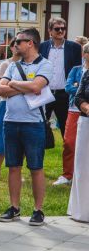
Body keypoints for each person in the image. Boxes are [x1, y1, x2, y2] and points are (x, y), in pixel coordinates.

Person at [0, 27, 53, 226]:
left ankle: (38, 210)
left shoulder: (45, 64)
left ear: (31, 43)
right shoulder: (13, 66)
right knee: (13, 167)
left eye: (19, 41)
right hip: (11, 122)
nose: (15, 45)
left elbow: (37, 87)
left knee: (36, 168)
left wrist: (13, 85)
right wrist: (22, 86)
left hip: (33, 123)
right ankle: (14, 208)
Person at [39, 17, 81, 142]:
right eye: (57, 29)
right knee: (39, 126)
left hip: (64, 94)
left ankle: (68, 160)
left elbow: (77, 71)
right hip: (44, 92)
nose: (61, 31)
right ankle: (35, 157)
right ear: (49, 31)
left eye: (63, 28)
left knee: (66, 130)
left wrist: (75, 85)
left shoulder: (74, 47)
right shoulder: (42, 47)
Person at [59, 43, 89, 186]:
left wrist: (78, 88)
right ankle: (67, 175)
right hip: (74, 110)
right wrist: (80, 92)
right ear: (84, 54)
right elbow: (68, 87)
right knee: (69, 143)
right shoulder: (76, 70)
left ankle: (82, 176)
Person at [0, 40, 20, 182]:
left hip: (22, 105)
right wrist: (23, 89)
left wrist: (12, 88)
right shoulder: (5, 64)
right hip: (5, 104)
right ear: (11, 48)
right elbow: (2, 91)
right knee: (1, 136)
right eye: (16, 45)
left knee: (19, 138)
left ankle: (16, 170)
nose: (18, 48)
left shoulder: (29, 64)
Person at [68, 57, 89, 222]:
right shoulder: (87, 74)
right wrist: (86, 107)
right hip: (86, 122)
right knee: (83, 165)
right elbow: (78, 97)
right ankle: (81, 210)